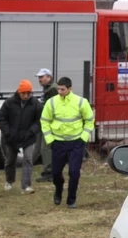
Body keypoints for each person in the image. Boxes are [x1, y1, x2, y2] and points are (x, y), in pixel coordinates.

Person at [40, 77, 95, 208]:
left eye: (62, 89)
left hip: (76, 143)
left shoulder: (81, 102)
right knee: (56, 173)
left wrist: (84, 137)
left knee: (74, 173)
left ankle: (71, 200)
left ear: (70, 89)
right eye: (58, 88)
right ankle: (58, 191)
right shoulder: (51, 102)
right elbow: (44, 121)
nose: (59, 91)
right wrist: (50, 140)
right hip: (58, 143)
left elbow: (89, 120)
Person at [0, 79, 42, 194]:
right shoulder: (9, 103)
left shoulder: (36, 104)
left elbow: (39, 120)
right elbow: (1, 118)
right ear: (19, 92)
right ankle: (9, 180)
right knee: (10, 160)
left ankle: (26, 186)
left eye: (29, 93)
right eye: (24, 93)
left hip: (28, 138)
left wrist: (31, 132)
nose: (26, 96)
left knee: (28, 159)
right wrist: (7, 133)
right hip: (12, 138)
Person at [33, 68, 59, 183]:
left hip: (50, 123)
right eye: (38, 77)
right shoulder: (48, 88)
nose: (39, 80)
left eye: (41, 77)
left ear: (49, 77)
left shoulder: (52, 89)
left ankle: (49, 172)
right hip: (48, 122)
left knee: (46, 148)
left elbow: (52, 108)